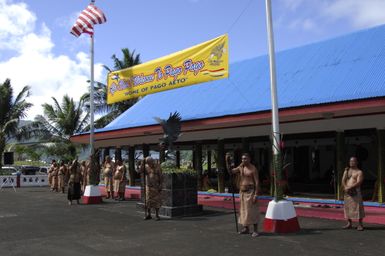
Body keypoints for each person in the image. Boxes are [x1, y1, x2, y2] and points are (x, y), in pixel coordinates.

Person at [230, 153, 260, 237]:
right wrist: (228, 162)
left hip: (250, 192)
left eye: (245, 158)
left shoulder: (253, 169)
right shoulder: (240, 167)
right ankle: (246, 228)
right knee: (243, 211)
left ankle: (256, 230)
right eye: (242, 159)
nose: (244, 160)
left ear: (249, 159)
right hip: (242, 192)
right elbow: (231, 171)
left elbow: (257, 182)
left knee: (252, 211)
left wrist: (256, 195)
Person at [341, 157, 365, 231]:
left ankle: (360, 224)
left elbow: (359, 182)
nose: (351, 162)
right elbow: (343, 180)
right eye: (350, 161)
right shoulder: (347, 171)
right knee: (347, 207)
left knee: (358, 207)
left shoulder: (359, 172)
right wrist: (345, 187)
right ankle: (349, 223)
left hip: (355, 192)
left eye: (353, 161)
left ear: (357, 162)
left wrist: (350, 187)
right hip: (347, 192)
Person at [140, 157, 163, 221]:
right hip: (148, 186)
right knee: (148, 201)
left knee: (156, 201)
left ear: (152, 161)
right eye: (148, 163)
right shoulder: (146, 166)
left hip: (156, 186)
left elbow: (161, 177)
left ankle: (157, 215)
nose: (149, 165)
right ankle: (149, 214)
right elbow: (140, 171)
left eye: (150, 163)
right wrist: (142, 163)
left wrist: (160, 185)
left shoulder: (158, 167)